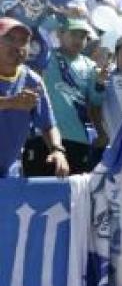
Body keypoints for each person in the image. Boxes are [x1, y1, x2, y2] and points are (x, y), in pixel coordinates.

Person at [28, 17, 105, 174]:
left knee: (75, 195)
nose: (78, 40)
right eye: (74, 34)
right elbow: (38, 28)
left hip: (78, 139)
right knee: (39, 193)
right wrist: (60, 15)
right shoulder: (46, 56)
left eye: (83, 36)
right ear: (60, 34)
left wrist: (101, 83)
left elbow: (95, 103)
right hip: (43, 137)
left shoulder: (90, 66)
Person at [0, 18, 68, 178]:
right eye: (9, 39)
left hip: (10, 173)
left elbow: (48, 124)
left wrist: (57, 150)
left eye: (23, 41)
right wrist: (11, 102)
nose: (17, 46)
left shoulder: (32, 80)